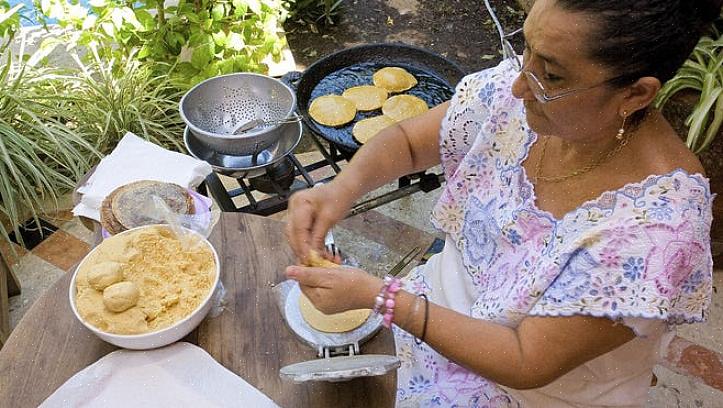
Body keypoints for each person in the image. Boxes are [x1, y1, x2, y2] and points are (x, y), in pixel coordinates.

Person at [284, 0, 721, 406]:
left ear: (636, 94)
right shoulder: (528, 97)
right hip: (431, 308)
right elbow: (410, 140)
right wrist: (338, 192)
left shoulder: (655, 231)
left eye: (551, 75)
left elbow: (524, 360)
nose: (516, 86)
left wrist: (382, 297)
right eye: (525, 47)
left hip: (533, 391)